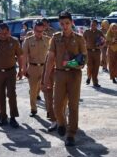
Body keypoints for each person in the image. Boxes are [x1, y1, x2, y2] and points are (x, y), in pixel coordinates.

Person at [44, 11, 87, 147]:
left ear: (72, 23)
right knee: (57, 104)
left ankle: (71, 134)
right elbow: (50, 59)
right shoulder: (56, 38)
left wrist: (68, 63)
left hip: (74, 75)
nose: (65, 26)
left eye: (67, 23)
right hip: (59, 74)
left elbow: (82, 61)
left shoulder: (79, 39)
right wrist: (46, 78)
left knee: (73, 106)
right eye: (62, 24)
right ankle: (61, 123)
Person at [22, 20, 50, 117]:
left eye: (41, 31)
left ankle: (49, 110)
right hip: (33, 68)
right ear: (34, 30)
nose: (39, 33)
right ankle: (33, 109)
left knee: (47, 90)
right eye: (37, 31)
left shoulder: (48, 39)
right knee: (33, 90)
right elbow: (24, 55)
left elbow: (52, 55)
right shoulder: (28, 40)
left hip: (45, 68)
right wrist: (23, 68)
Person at [83, 20, 105, 87]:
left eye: (94, 25)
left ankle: (95, 82)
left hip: (97, 52)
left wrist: (101, 46)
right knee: (90, 66)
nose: (93, 26)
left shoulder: (99, 32)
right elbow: (82, 41)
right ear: (90, 24)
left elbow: (104, 41)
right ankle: (89, 77)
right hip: (89, 51)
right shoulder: (86, 32)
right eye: (92, 24)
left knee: (96, 67)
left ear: (97, 25)